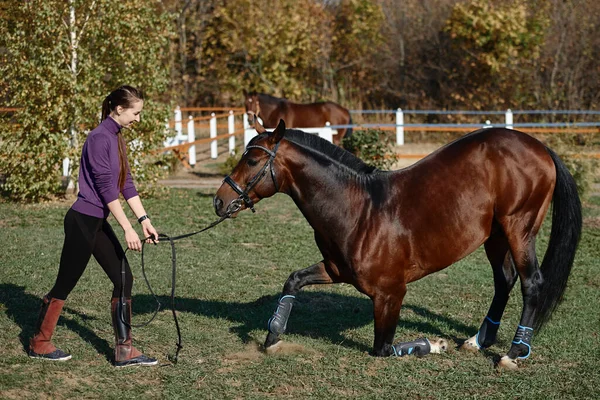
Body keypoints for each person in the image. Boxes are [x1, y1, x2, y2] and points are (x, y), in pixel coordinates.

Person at [28, 85, 160, 367]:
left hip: (97, 222)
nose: (138, 119)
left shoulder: (117, 138)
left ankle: (124, 351)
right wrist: (126, 227)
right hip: (82, 222)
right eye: (136, 113)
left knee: (124, 277)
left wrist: (144, 221)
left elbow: (125, 183)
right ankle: (39, 342)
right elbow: (105, 190)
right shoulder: (99, 138)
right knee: (65, 283)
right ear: (120, 108)